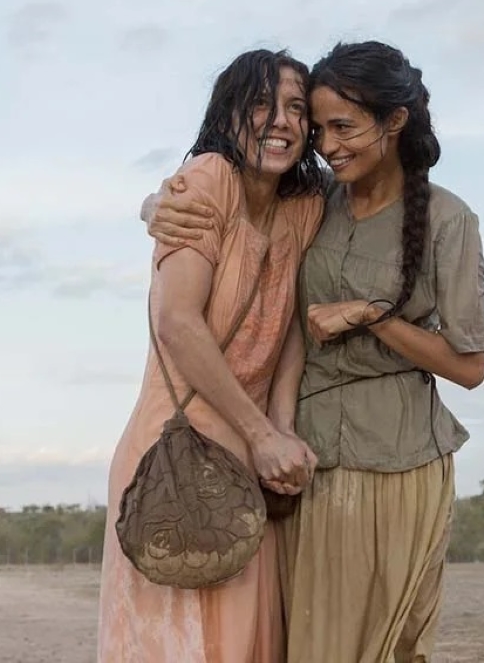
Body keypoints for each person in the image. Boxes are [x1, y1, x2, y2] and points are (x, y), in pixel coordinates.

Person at [144, 41, 484, 663]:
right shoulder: (312, 202)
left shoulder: (447, 219)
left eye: (343, 127)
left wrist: (371, 317)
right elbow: (229, 204)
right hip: (300, 462)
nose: (326, 144)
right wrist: (156, 206)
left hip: (397, 459)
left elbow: (470, 367)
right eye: (320, 127)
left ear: (395, 121)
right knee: (295, 643)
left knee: (383, 647)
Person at [97, 48, 327, 663]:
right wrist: (261, 434)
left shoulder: (305, 206)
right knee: (181, 645)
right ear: (228, 115)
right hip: (175, 448)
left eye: (296, 109)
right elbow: (176, 321)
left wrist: (279, 430)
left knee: (247, 642)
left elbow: (290, 334)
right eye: (261, 104)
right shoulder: (208, 179)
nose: (280, 120)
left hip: (252, 456)